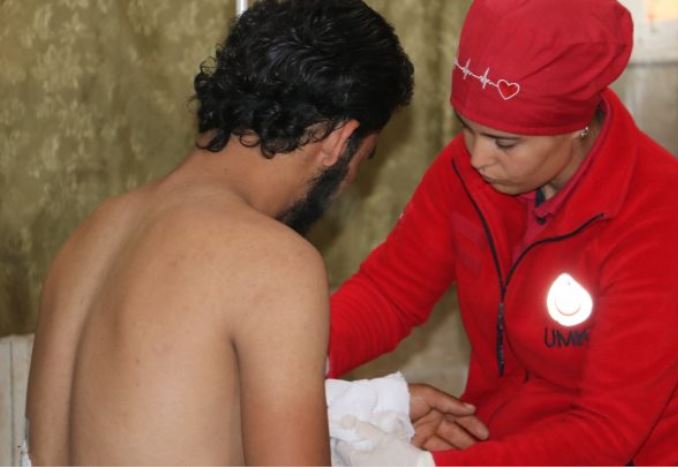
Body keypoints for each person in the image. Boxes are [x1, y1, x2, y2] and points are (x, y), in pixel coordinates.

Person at [327, 0, 678, 465]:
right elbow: (390, 292)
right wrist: (294, 361)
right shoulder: (466, 173)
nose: (478, 157)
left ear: (575, 126)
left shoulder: (664, 220)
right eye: (467, 128)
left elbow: (605, 433)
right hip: (505, 444)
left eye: (505, 142)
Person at [24, 0, 417, 464]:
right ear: (339, 141)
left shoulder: (95, 230)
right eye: (363, 158)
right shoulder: (274, 263)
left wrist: (376, 410)